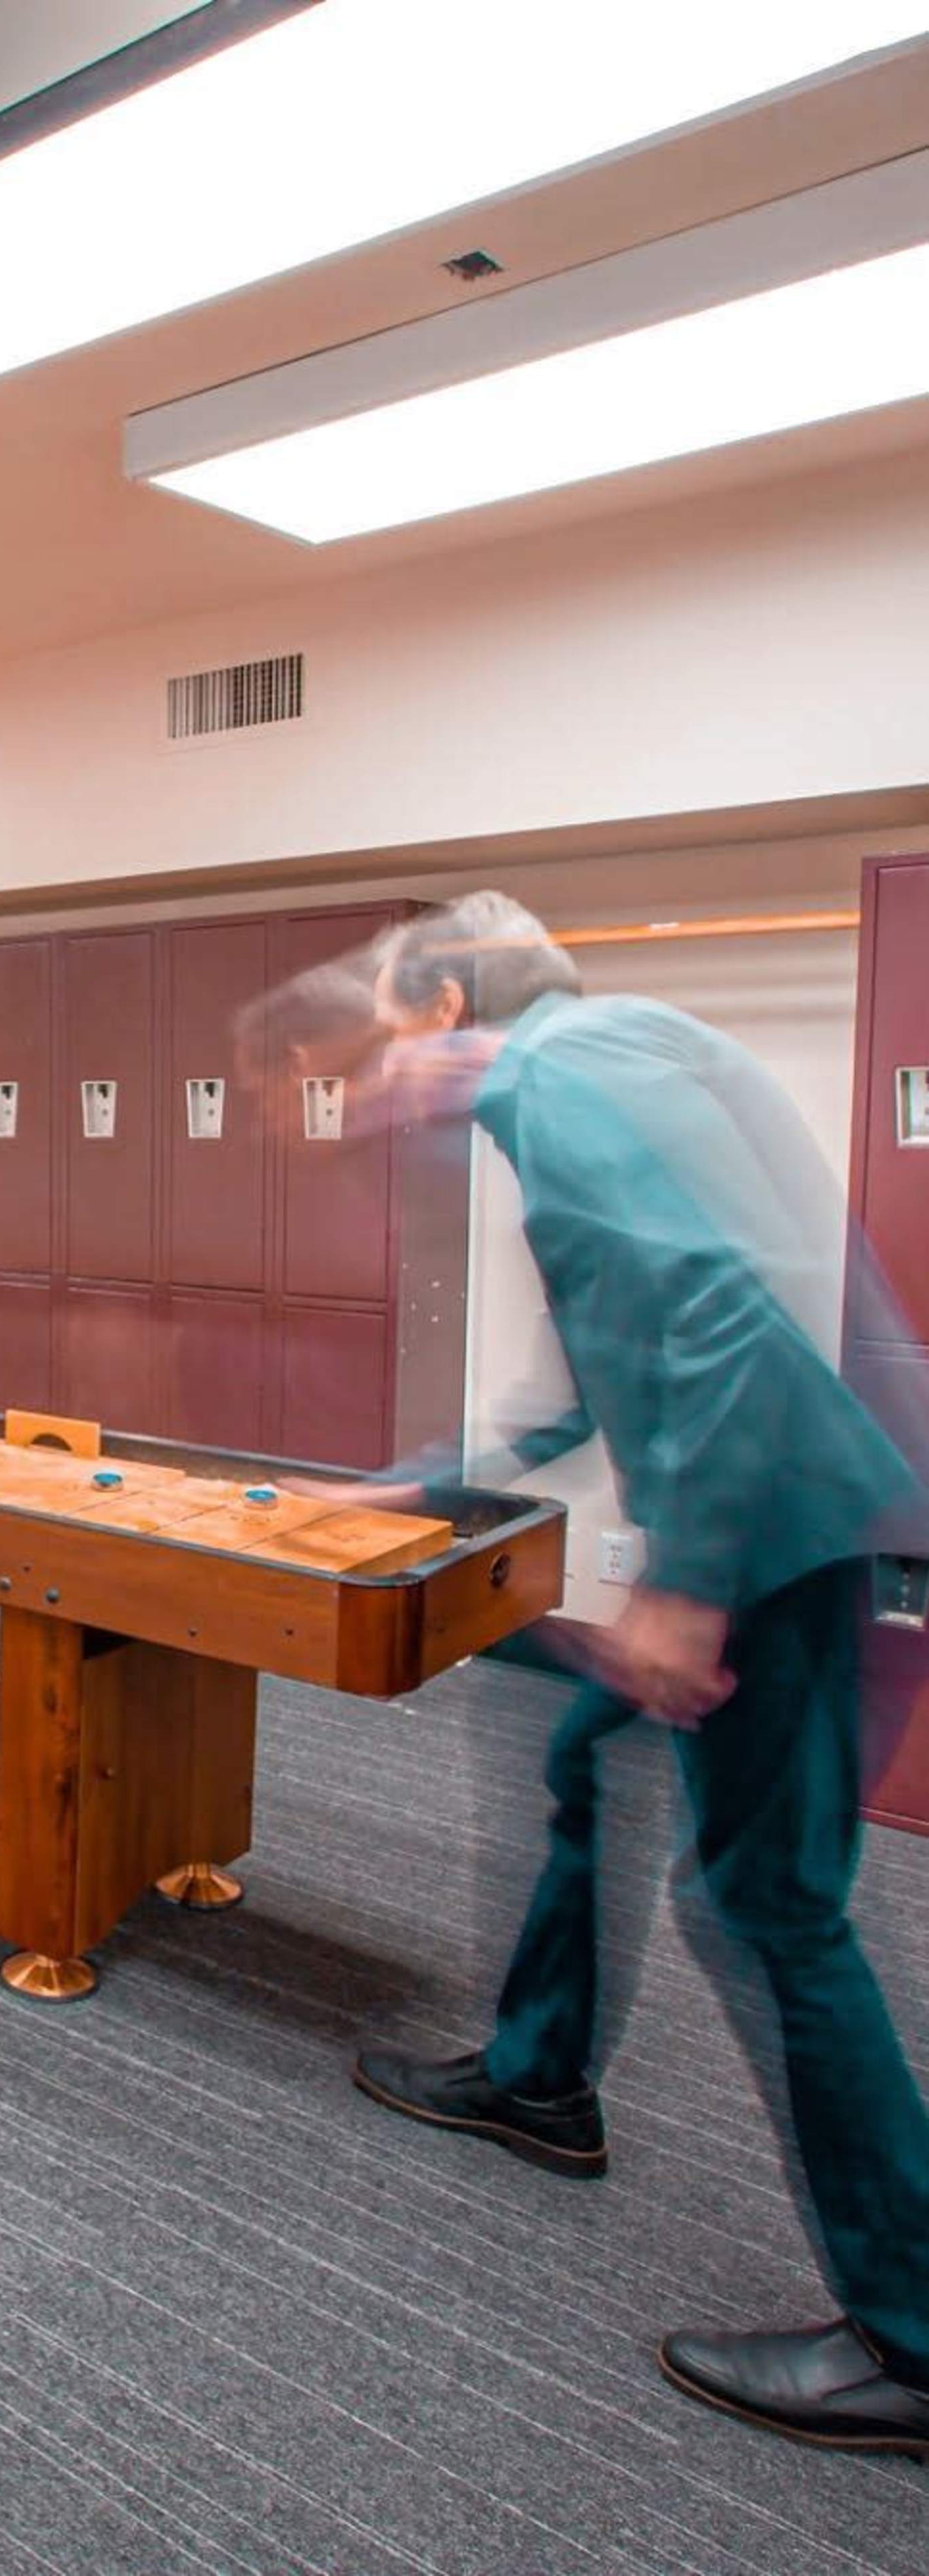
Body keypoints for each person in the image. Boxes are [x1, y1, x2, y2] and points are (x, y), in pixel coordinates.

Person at [337, 890, 929, 2458]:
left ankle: (916, 2331)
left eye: (396, 1037)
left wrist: (679, 1584)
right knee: (575, 1743)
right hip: (785, 1499)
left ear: (454, 997)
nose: (387, 1080)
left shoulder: (549, 1073)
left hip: (772, 1528)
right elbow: (621, 1342)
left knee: (766, 1909)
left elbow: (723, 1322)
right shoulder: (610, 1057)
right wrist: (455, 1471)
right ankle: (537, 2078)